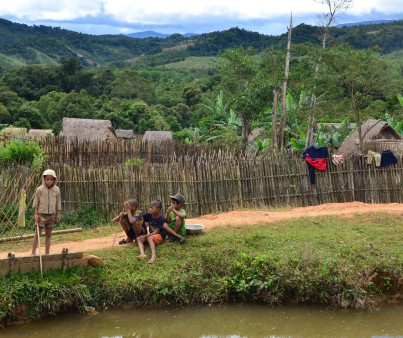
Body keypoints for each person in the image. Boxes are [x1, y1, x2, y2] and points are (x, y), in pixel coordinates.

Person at [31, 169, 61, 255]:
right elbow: (36, 203)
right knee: (37, 235)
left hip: (51, 215)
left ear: (54, 180)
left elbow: (58, 202)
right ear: (44, 179)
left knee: (48, 235)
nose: (49, 181)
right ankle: (33, 253)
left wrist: (58, 214)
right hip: (41, 215)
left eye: (51, 179)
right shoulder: (39, 189)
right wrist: (36, 214)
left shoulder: (56, 190)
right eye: (47, 179)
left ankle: (47, 253)